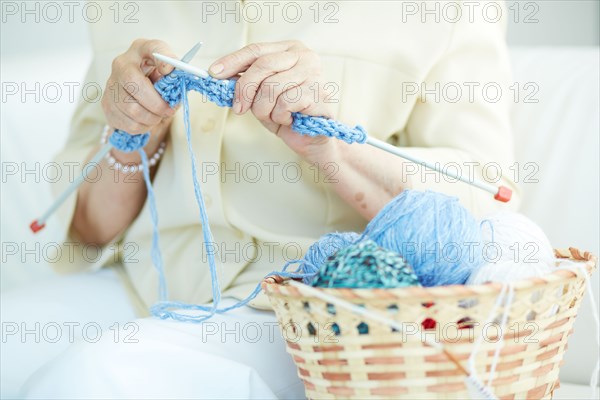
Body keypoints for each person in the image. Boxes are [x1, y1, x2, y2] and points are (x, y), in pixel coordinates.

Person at [4, 1, 520, 398]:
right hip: (148, 284)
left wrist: (331, 146)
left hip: (312, 315)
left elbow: (489, 207)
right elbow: (90, 230)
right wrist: (133, 134)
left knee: (92, 380)